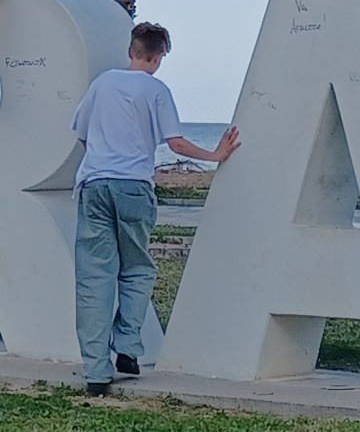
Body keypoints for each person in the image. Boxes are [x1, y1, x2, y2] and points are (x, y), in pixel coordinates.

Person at [71, 23, 240, 396]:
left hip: (95, 185)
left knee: (94, 278)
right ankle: (128, 346)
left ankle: (96, 371)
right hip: (134, 186)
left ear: (131, 50)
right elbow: (175, 143)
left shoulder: (102, 84)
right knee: (137, 270)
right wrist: (215, 155)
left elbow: (82, 134)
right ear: (157, 56)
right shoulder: (157, 90)